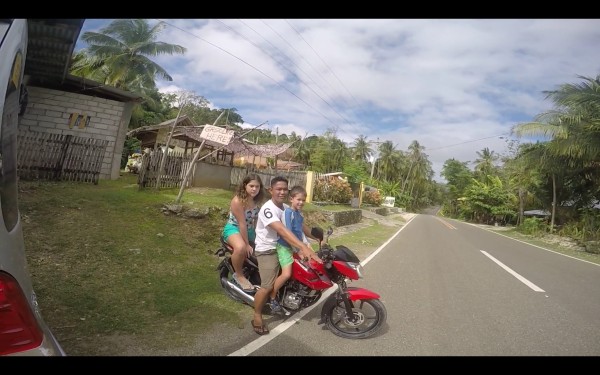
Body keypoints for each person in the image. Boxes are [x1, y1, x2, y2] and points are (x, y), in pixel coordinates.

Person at [251, 176, 322, 335]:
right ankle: (257, 315)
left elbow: (300, 225)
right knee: (267, 285)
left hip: (283, 247)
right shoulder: (268, 209)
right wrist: (303, 247)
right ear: (271, 190)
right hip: (268, 249)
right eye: (278, 189)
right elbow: (282, 230)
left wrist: (316, 238)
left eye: (285, 189)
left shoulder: (284, 207)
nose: (282, 192)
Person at [268, 185, 316, 313]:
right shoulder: (288, 213)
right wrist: (299, 249)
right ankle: (272, 297)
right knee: (286, 274)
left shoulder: (299, 215)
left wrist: (308, 246)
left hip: (295, 247)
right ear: (291, 199)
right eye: (298, 199)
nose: (301, 202)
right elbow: (287, 232)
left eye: (303, 200)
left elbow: (300, 232)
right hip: (284, 247)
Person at [221, 174, 265, 292]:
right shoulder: (238, 201)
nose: (254, 189)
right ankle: (239, 275)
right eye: (251, 186)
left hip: (250, 230)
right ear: (245, 185)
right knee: (240, 248)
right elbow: (241, 223)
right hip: (234, 228)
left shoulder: (257, 201)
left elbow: (256, 220)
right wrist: (246, 244)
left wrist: (260, 237)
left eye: (257, 186)